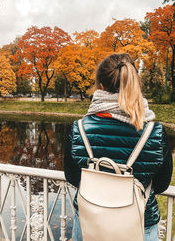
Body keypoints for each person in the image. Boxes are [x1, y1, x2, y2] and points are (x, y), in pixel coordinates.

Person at [64, 53, 173, 241]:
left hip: (89, 221)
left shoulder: (79, 129)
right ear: (134, 84)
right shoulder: (153, 132)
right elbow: (162, 184)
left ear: (101, 86)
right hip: (139, 224)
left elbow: (73, 177)